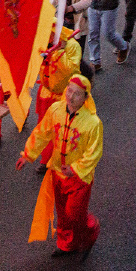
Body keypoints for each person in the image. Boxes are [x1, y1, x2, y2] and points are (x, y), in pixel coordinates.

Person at [16, 75, 103, 260]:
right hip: (57, 172)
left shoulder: (93, 123)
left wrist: (76, 169)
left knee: (75, 215)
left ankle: (91, 231)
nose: (71, 97)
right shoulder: (55, 110)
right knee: (62, 213)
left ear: (86, 98)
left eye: (77, 94)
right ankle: (66, 244)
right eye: (69, 90)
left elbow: (94, 153)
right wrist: (27, 155)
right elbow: (42, 133)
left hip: (80, 178)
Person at [33, 26, 83, 173]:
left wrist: (59, 52)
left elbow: (73, 70)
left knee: (62, 129)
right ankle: (45, 158)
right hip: (45, 93)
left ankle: (59, 159)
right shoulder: (43, 41)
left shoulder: (72, 45)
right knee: (45, 127)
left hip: (62, 96)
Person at [86, 0, 130, 72]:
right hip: (93, 3)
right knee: (93, 33)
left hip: (109, 4)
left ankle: (123, 46)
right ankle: (95, 61)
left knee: (108, 33)